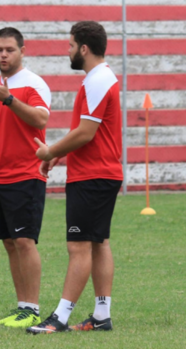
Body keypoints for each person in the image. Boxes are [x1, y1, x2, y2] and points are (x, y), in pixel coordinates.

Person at [26, 21, 123, 334]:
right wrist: (59, 155)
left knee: (79, 246)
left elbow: (86, 132)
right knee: (98, 243)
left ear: (83, 48)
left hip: (93, 176)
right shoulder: (100, 78)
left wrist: (48, 150)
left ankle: (60, 318)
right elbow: (88, 133)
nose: (67, 51)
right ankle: (101, 316)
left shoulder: (98, 79)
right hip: (101, 173)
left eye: (70, 45)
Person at [0, 27, 52, 329]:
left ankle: (33, 309)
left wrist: (10, 100)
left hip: (26, 174)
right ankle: (22, 306)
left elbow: (41, 119)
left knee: (25, 241)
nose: (3, 55)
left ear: (22, 51)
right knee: (9, 242)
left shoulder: (33, 84)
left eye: (9, 50)